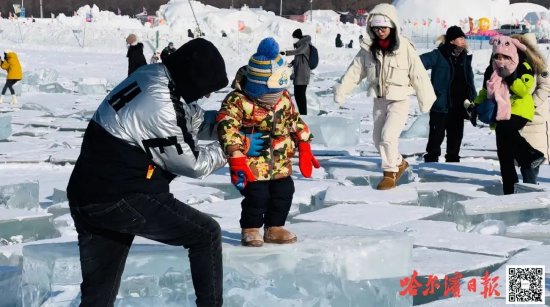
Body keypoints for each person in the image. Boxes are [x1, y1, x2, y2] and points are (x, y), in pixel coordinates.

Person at [67, 38, 229, 307]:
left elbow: (191, 120)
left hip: (89, 194)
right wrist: (233, 146)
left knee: (98, 298)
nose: (208, 95)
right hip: (120, 197)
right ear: (192, 79)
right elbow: (193, 163)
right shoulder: (161, 105)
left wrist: (229, 124)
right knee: (205, 234)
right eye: (206, 89)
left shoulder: (155, 75)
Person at [217, 37, 319, 247]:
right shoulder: (238, 101)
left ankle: (274, 227)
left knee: (284, 192)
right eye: (270, 93)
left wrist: (304, 141)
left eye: (277, 92)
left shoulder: (283, 98)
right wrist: (235, 154)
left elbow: (293, 120)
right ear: (256, 87)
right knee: (257, 196)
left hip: (280, 159)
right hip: (253, 160)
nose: (275, 97)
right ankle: (251, 228)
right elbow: (226, 125)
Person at [334, 3, 436, 190]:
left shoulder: (404, 47)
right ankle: (399, 162)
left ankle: (390, 174)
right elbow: (354, 72)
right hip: (379, 100)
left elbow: (418, 74)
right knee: (376, 139)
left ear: (392, 27)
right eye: (376, 28)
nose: (380, 31)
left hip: (399, 100)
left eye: (383, 28)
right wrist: (341, 91)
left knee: (388, 137)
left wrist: (426, 100)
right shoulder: (368, 49)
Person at [468, 35, 544, 194]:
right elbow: (484, 91)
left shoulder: (523, 65)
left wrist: (509, 75)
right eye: (497, 56)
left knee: (504, 130)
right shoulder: (492, 69)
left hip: (519, 110)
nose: (501, 60)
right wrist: (476, 105)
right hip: (500, 112)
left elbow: (524, 90)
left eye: (505, 56)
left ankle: (531, 155)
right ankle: (509, 188)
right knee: (504, 153)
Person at [420, 26, 477, 163]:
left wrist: (473, 100)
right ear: (452, 41)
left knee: (455, 140)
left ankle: (452, 166)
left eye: (464, 38)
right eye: (460, 38)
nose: (463, 41)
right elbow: (418, 63)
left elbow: (470, 81)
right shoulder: (439, 55)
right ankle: (430, 165)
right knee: (435, 139)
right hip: (441, 105)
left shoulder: (465, 58)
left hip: (459, 106)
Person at [513, 33, 550, 185]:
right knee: (519, 158)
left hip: (534, 117)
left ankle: (530, 190)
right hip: (515, 115)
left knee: (531, 161)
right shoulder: (512, 61)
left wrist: (531, 104)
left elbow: (545, 86)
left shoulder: (539, 62)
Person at [280, 29, 311, 115]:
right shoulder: (301, 45)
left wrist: (286, 53)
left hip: (303, 74)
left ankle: (304, 113)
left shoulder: (305, 45)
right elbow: (299, 57)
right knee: (298, 94)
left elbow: (298, 52)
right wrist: (292, 63)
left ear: (298, 37)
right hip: (299, 73)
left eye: (294, 38)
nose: (293, 40)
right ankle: (302, 113)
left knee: (300, 94)